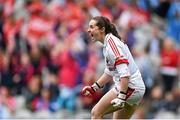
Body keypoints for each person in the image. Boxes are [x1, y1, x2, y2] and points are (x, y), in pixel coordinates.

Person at [81, 16, 146, 119]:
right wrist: (94, 88)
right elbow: (109, 72)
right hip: (135, 88)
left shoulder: (112, 44)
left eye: (92, 27)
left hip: (130, 87)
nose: (88, 30)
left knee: (95, 113)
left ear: (102, 29)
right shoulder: (108, 44)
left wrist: (121, 96)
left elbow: (125, 73)